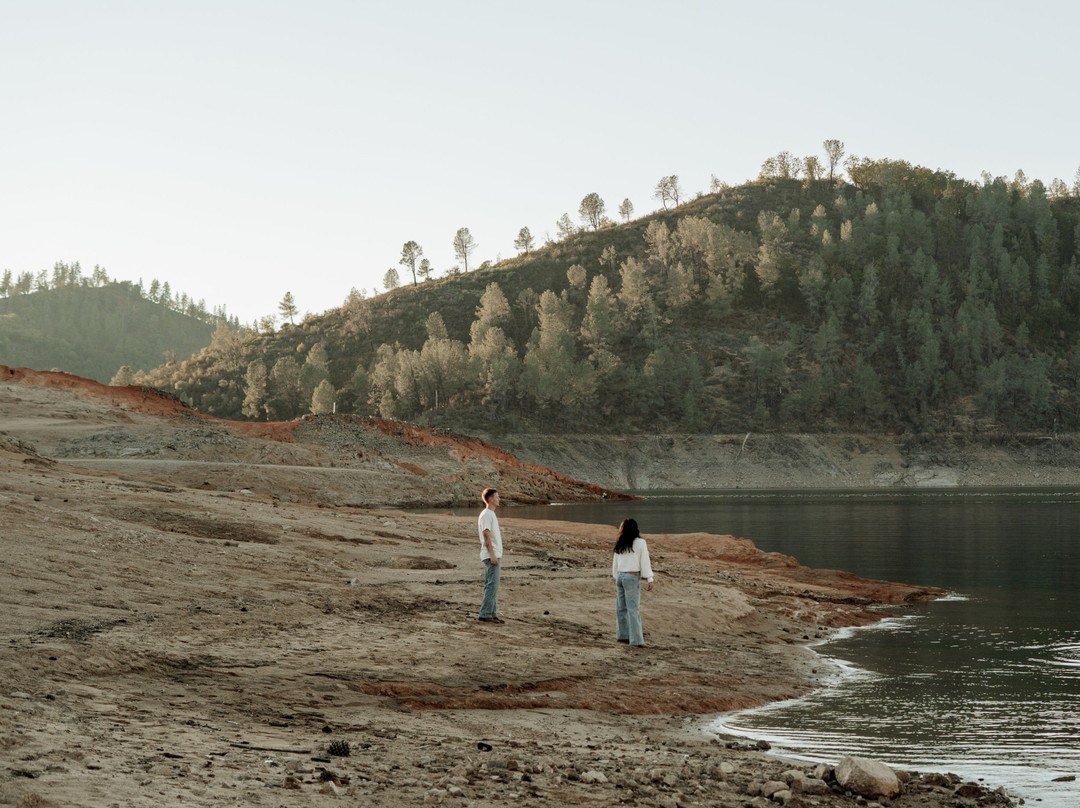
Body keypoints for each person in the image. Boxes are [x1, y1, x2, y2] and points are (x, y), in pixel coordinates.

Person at [611, 517, 653, 647]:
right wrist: (649, 578)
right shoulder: (640, 543)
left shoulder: (621, 542)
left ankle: (622, 635)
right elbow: (644, 561)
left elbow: (615, 562)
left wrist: (615, 576)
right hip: (631, 577)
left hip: (620, 576)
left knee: (621, 608)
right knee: (633, 609)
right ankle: (636, 640)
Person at [477, 487, 504, 624]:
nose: (499, 499)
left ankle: (491, 613)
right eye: (497, 497)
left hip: (494, 554)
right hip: (491, 555)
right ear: (490, 499)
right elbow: (486, 535)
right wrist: (492, 555)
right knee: (491, 585)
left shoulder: (490, 514)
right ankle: (486, 613)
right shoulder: (487, 514)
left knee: (493, 585)